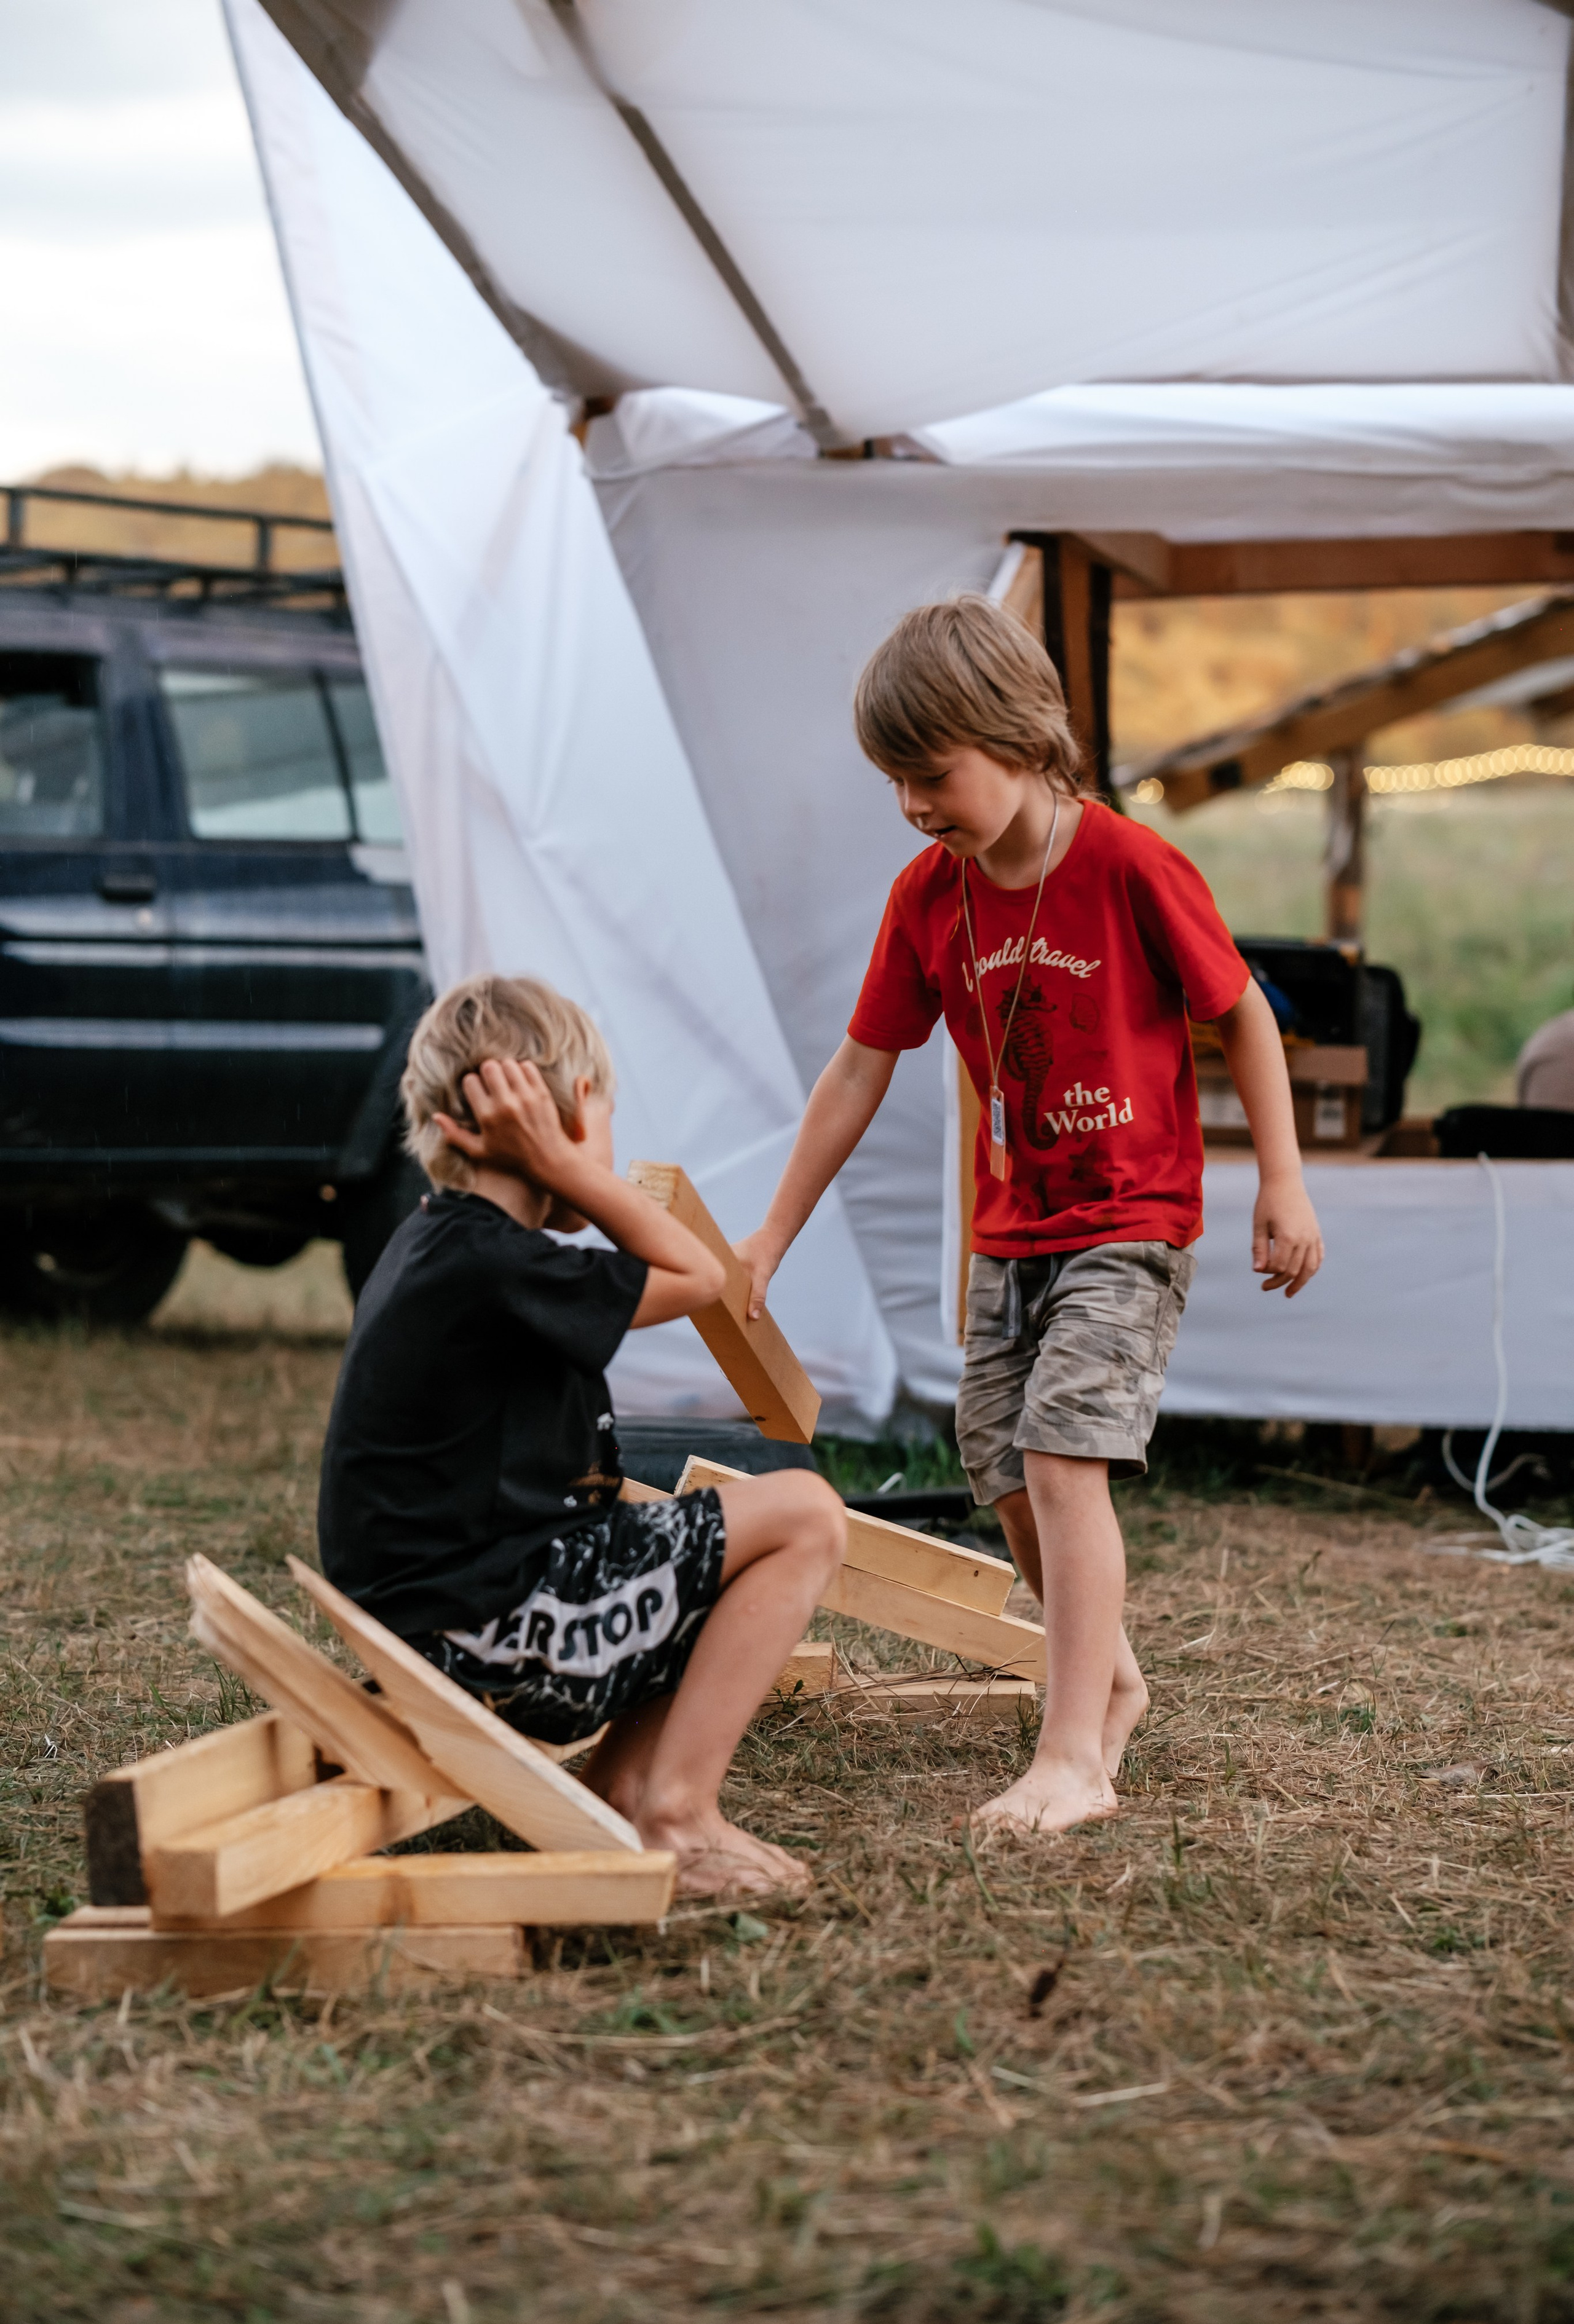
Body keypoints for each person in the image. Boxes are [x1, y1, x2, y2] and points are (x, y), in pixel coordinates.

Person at [735, 596, 1323, 1838]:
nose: (911, 805)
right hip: (1012, 1227)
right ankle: (1104, 1676)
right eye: (892, 781)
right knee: (998, 1460)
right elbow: (857, 1069)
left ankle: (1072, 1761)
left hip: (1131, 1214)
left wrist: (1281, 1178)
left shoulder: (1125, 865)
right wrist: (767, 1238)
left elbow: (1244, 1014)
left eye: (929, 775)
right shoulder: (925, 897)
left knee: (1064, 1455)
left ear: (1011, 737)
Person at [317, 974, 846, 1898]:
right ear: (547, 1118)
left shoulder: (448, 1244)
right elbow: (694, 1273)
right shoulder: (490, 1260)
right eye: (598, 1116)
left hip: (450, 1624)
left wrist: (558, 1162)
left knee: (676, 1532)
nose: (607, 1149)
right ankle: (678, 1819)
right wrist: (573, 1170)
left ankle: (623, 1792)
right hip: (480, 1640)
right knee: (804, 1512)